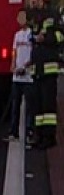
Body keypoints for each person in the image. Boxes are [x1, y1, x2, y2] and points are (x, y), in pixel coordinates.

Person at [29, 18, 60, 149]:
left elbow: (60, 36)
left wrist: (46, 38)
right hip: (37, 71)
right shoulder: (33, 19)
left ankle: (49, 137)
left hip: (49, 71)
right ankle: (39, 135)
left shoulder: (52, 17)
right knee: (38, 107)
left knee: (48, 107)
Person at [6, 10, 33, 141]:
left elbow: (34, 54)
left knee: (29, 107)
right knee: (15, 105)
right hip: (17, 76)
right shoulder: (17, 35)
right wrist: (12, 65)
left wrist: (25, 66)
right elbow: (14, 51)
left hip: (28, 76)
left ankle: (29, 132)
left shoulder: (31, 35)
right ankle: (13, 132)